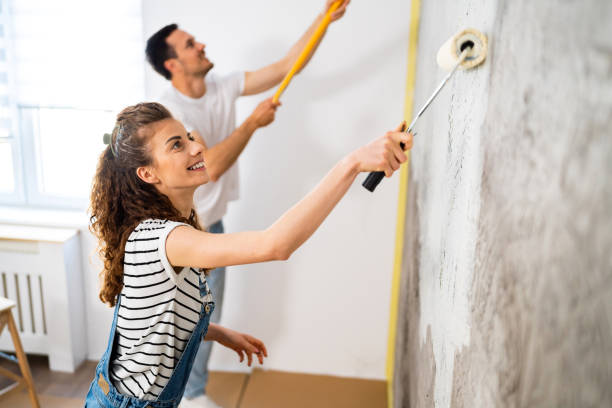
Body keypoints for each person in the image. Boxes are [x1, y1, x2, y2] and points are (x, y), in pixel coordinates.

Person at [84, 102, 412, 407]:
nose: (197, 147)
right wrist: (351, 163)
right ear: (148, 173)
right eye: (177, 145)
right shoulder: (165, 238)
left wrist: (217, 332)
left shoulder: (171, 231)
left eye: (188, 137)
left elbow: (157, 322)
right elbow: (275, 244)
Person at [144, 1, 350, 405]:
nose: (200, 45)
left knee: (206, 315)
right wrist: (252, 123)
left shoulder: (220, 85)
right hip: (182, 231)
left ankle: (192, 394)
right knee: (183, 319)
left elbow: (288, 63)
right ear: (172, 64)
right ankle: (178, 396)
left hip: (211, 222)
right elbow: (207, 167)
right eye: (189, 44)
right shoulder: (173, 112)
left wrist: (324, 18)